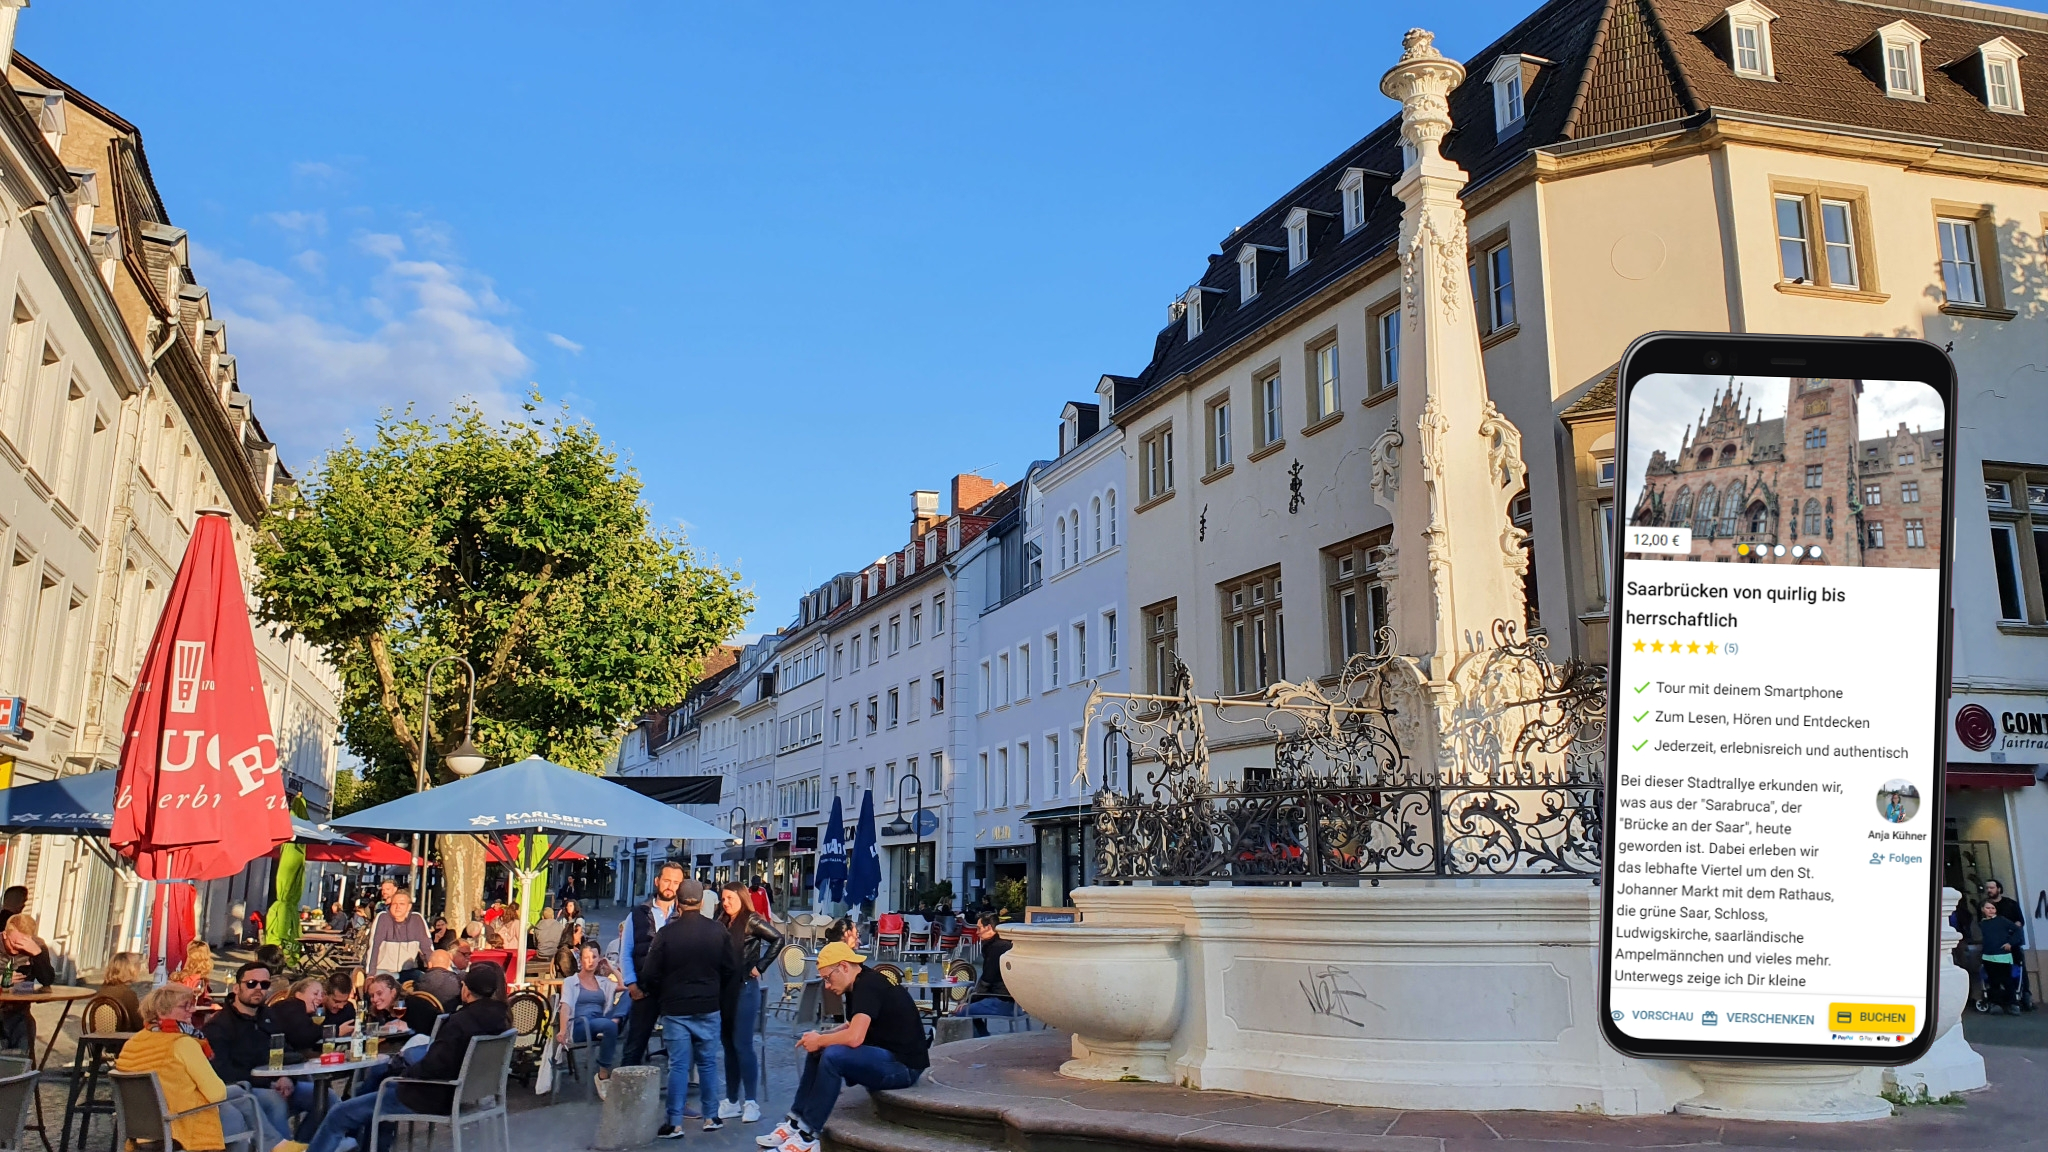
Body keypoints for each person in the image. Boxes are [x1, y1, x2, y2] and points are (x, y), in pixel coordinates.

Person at [302, 962, 510, 1152]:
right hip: (458, 1094)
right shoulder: (501, 1021)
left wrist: (407, 1071)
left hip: (429, 1096)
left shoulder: (460, 1022)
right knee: (381, 1091)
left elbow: (434, 1065)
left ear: (465, 989)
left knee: (340, 1113)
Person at [753, 942, 929, 1152]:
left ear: (844, 966)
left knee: (833, 1054)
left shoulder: (868, 985)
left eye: (828, 978)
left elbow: (855, 1037)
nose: (827, 986)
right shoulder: (859, 982)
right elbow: (852, 1025)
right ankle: (796, 1121)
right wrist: (822, 1036)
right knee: (820, 1048)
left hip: (904, 1067)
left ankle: (809, 1136)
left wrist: (821, 1040)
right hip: (886, 1056)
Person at [116, 984, 271, 1152]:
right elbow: (216, 1094)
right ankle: (275, 1144)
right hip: (179, 1124)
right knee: (242, 1110)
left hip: (142, 1128)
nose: (192, 1010)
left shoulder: (132, 1043)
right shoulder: (182, 1043)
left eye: (192, 1004)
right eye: (185, 1006)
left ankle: (277, 1144)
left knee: (242, 1093)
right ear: (161, 1012)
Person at [638, 878, 736, 1137]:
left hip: (675, 1007)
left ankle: (674, 1122)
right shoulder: (718, 931)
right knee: (707, 1064)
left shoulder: (666, 934)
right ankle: (711, 1116)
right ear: (702, 902)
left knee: (678, 1066)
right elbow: (731, 969)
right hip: (708, 1004)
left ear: (678, 904)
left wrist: (661, 993)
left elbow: (649, 974)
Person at [203, 962, 311, 1142]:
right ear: (237, 988)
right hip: (246, 1090)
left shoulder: (269, 1016)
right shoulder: (220, 1025)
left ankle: (311, 1145)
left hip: (281, 1083)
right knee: (274, 1101)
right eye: (252, 984)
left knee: (326, 1098)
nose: (258, 989)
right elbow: (221, 1071)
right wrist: (269, 1082)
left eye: (265, 984)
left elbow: (288, 1051)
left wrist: (287, 1078)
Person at [717, 881, 782, 1124]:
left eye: (730, 899)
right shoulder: (722, 921)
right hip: (724, 990)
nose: (726, 903)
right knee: (728, 1046)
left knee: (742, 1044)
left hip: (744, 987)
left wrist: (760, 966)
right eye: (723, 899)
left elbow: (777, 938)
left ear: (741, 898)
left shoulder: (751, 920)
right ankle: (732, 1100)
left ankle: (751, 1102)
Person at [620, 860, 686, 1067]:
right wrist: (631, 984)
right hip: (644, 990)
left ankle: (676, 1096)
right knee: (635, 1044)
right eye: (667, 880)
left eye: (676, 882)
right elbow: (626, 951)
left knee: (679, 1047)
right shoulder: (638, 914)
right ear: (657, 881)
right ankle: (628, 1092)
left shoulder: (685, 916)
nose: (671, 886)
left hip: (674, 992)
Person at [556, 941, 628, 1099]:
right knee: (609, 1026)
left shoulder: (602, 982)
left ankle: (614, 1021)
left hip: (601, 1021)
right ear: (580, 960)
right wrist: (562, 1030)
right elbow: (565, 1006)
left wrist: (611, 968)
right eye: (586, 957)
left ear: (599, 959)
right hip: (581, 1024)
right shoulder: (570, 982)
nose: (591, 961)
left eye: (594, 957)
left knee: (630, 995)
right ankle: (603, 1076)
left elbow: (624, 986)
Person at [0, 913, 57, 1052]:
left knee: (24, 1048)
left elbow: (47, 980)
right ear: (5, 934)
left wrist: (37, 954)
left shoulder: (36, 946)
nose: (17, 949)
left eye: (22, 943)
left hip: (20, 1012)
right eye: (14, 943)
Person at [955, 914, 1019, 1034]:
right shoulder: (1005, 944)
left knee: (961, 1011)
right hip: (1015, 1001)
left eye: (979, 928)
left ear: (989, 927)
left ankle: (977, 1043)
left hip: (1003, 1001)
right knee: (968, 1008)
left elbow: (986, 981)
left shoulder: (996, 949)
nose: (977, 932)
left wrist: (969, 1000)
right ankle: (983, 1036)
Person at [363, 889, 433, 983]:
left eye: (402, 904)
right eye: (394, 904)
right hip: (384, 970)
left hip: (409, 971)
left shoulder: (417, 919)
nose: (397, 907)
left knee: (424, 981)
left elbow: (428, 949)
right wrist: (370, 974)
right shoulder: (382, 918)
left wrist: (434, 972)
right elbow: (374, 948)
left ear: (409, 907)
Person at [1980, 899, 2026, 1016]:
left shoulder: (2002, 920)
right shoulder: (1982, 923)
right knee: (1993, 981)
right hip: (1988, 956)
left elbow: (2017, 931)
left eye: (1993, 908)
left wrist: (2010, 943)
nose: (1990, 910)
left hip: (2003, 956)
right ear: (1982, 910)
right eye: (1988, 908)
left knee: (2007, 980)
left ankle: (2013, 1004)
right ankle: (1996, 1004)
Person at [97, 951, 150, 1032]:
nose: (139, 968)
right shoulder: (127, 994)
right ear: (128, 969)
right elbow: (138, 1025)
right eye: (137, 965)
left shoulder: (103, 990)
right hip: (122, 1039)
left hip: (100, 1038)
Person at [173, 941, 217, 1007]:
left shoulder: (178, 977)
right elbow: (197, 1003)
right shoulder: (198, 980)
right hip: (191, 1013)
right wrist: (213, 1006)